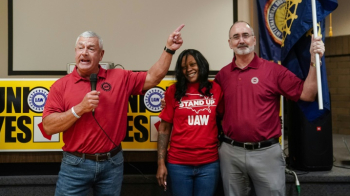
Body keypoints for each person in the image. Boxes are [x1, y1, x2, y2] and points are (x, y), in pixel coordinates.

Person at [42, 25, 184, 196]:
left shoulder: (119, 77)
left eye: (91, 48)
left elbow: (153, 77)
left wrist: (169, 49)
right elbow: (49, 126)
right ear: (75, 52)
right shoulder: (61, 86)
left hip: (112, 164)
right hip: (75, 165)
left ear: (101, 55)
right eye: (81, 48)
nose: (84, 52)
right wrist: (79, 109)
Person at [215, 21, 325, 196]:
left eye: (245, 35)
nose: (241, 40)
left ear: (254, 40)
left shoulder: (273, 71)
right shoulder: (223, 75)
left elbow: (307, 94)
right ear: (230, 43)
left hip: (266, 153)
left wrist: (314, 60)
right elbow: (210, 106)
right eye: (236, 37)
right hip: (231, 154)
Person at [156, 49, 223, 196]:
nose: (188, 70)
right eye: (184, 67)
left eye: (192, 64)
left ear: (201, 65)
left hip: (209, 164)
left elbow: (224, 118)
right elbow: (164, 129)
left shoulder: (216, 89)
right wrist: (161, 164)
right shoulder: (173, 91)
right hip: (178, 164)